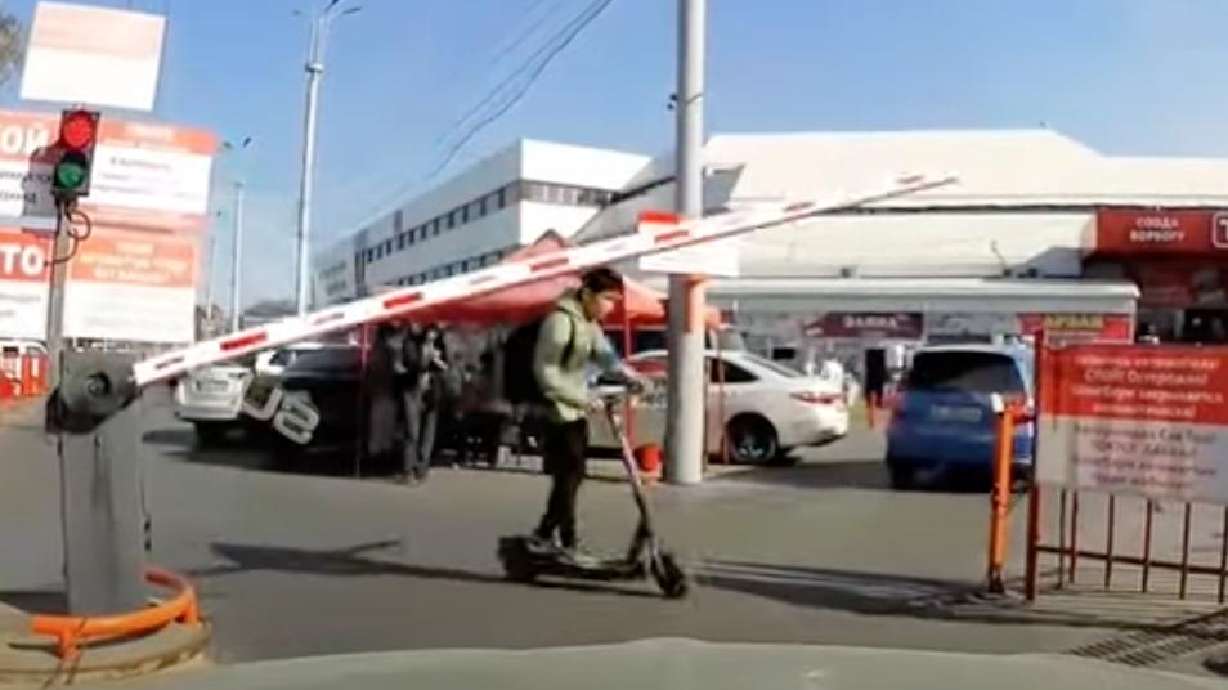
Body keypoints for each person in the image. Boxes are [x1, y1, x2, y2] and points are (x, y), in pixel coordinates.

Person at [530, 267, 645, 562]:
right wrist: (582, 398)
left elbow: (607, 358)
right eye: (607, 298)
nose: (611, 306)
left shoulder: (589, 324)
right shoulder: (559, 323)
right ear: (587, 293)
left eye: (615, 300)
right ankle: (565, 540)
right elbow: (545, 373)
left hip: (574, 410)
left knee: (572, 476)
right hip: (554, 411)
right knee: (569, 476)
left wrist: (633, 378)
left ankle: (543, 535)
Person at [398, 323, 450, 485]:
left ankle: (422, 467)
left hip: (431, 391)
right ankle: (408, 469)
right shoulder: (411, 342)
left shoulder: (440, 344)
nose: (433, 336)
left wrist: (439, 362)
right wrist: (428, 358)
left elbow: (445, 364)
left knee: (429, 430)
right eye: (431, 333)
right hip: (413, 389)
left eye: (436, 333)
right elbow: (412, 363)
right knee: (412, 430)